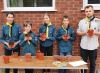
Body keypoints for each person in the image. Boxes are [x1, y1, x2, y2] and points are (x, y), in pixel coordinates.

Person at [77, 5, 100, 73]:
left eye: (90, 11)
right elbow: (78, 32)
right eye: (86, 11)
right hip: (84, 46)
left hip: (93, 46)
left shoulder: (98, 21)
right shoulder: (82, 21)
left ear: (93, 12)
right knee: (83, 64)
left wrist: (94, 32)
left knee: (93, 64)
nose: (88, 12)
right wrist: (84, 33)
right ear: (85, 12)